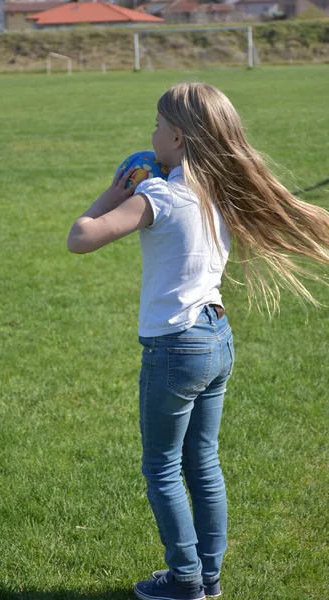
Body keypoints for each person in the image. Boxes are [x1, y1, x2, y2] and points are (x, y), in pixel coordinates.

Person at [67, 82, 329, 600]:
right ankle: (209, 578)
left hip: (175, 348)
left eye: (158, 125)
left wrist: (117, 190)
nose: (151, 133)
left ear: (180, 138)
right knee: (203, 462)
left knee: (162, 467)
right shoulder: (220, 192)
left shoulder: (159, 195)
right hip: (216, 339)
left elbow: (81, 237)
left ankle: (186, 581)